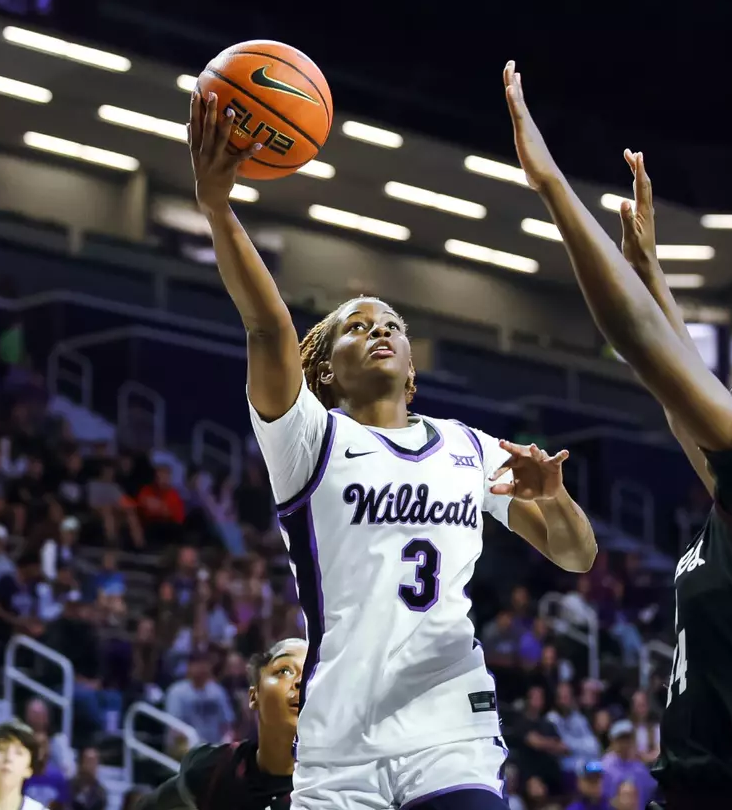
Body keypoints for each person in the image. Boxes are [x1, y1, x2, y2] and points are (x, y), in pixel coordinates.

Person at [187, 87, 598, 810]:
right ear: (325, 369)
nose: (378, 330)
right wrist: (219, 207)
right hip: (338, 743)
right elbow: (268, 326)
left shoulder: (469, 448)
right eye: (356, 326)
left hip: (449, 728)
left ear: (411, 367)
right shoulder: (308, 439)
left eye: (392, 326)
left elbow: (576, 555)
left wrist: (555, 497)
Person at [500, 61, 732, 808]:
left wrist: (553, 187)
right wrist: (652, 271)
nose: (723, 404)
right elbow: (677, 396)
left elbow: (643, 347)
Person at [147, 638, 303, 810]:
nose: (299, 683)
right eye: (285, 671)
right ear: (254, 696)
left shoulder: (216, 691)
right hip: (187, 750)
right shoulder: (177, 692)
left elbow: (228, 725)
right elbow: (175, 731)